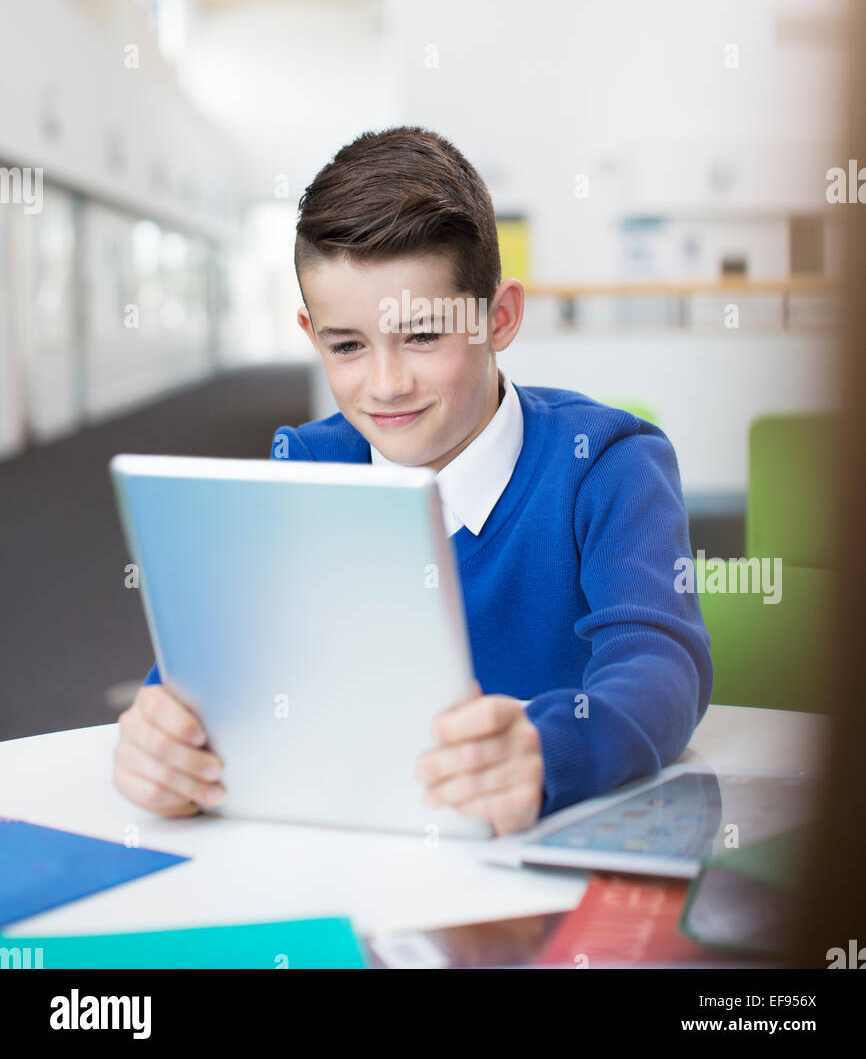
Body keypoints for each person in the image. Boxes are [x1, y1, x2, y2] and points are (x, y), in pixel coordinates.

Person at [114, 126, 712, 835]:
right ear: (313, 337)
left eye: (423, 335)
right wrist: (165, 741)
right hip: (361, 840)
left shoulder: (608, 463)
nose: (387, 385)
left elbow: (661, 664)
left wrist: (551, 752)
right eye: (348, 347)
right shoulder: (306, 470)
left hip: (539, 850)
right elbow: (217, 672)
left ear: (500, 317)